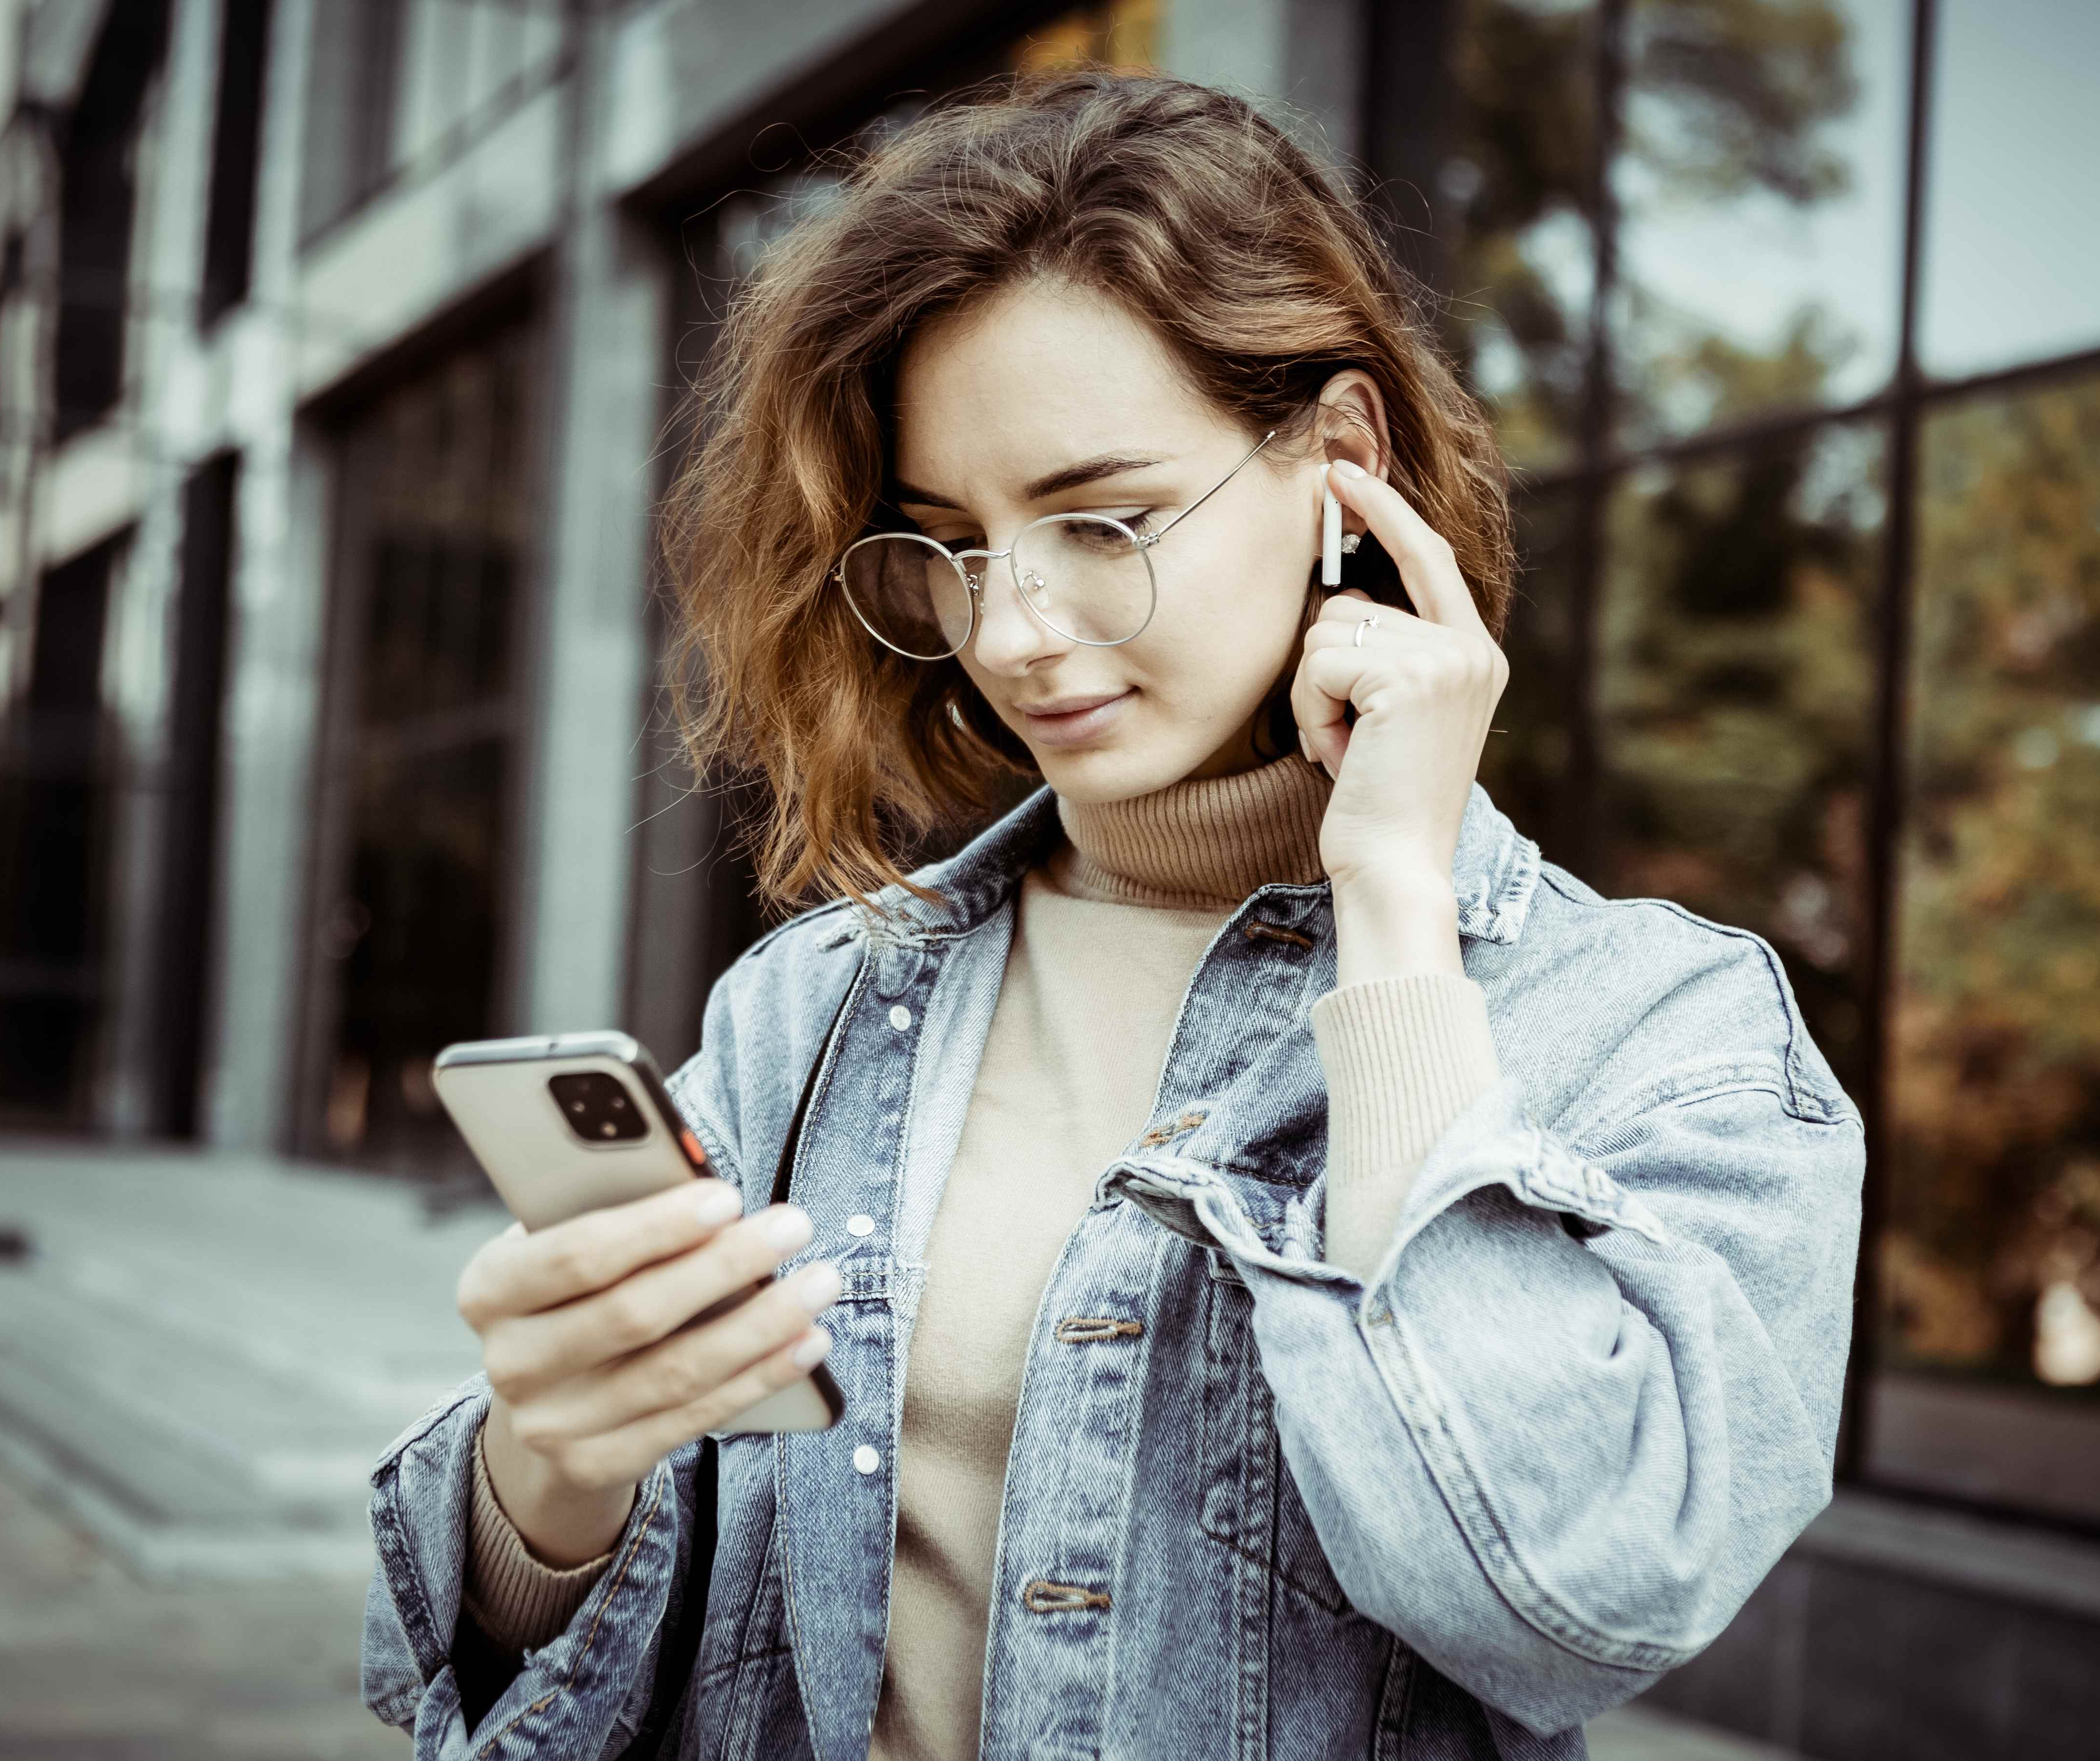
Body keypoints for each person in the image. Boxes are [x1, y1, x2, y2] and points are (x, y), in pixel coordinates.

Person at [360, 68, 1863, 1761]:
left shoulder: (1658, 1029)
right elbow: (537, 1666)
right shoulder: (815, 1008)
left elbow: (1559, 1595)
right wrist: (551, 1468)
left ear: (1342, 463)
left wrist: (1390, 898)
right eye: (952, 543)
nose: (1011, 630)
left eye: (1102, 520)